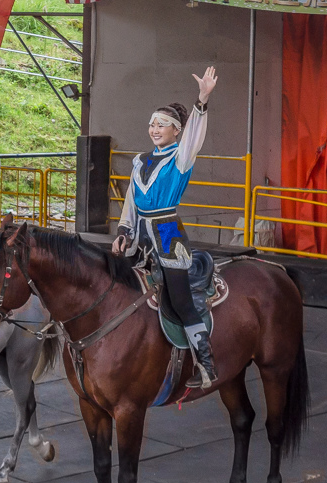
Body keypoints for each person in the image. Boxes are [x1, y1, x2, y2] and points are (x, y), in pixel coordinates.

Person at [113, 67, 219, 389]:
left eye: (162, 125)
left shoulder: (181, 157)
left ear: (177, 131)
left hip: (169, 234)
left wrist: (201, 100)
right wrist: (123, 231)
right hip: (141, 235)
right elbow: (131, 201)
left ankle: (206, 365)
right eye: (152, 124)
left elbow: (194, 138)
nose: (154, 129)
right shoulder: (140, 162)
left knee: (181, 300)